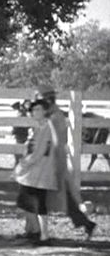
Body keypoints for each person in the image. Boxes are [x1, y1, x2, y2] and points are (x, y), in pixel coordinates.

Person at [35, 84, 96, 240]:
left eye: (40, 99)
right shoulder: (53, 114)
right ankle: (85, 223)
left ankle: (41, 233)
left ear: (47, 99)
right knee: (63, 195)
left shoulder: (55, 117)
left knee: (43, 195)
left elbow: (55, 141)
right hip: (55, 159)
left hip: (54, 159)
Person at [13, 99, 58, 245]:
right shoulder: (39, 127)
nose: (34, 112)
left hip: (41, 170)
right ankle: (32, 230)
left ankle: (43, 235)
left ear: (45, 111)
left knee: (39, 202)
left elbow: (39, 153)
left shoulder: (47, 128)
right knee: (26, 200)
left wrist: (22, 166)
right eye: (33, 110)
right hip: (33, 171)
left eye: (38, 109)